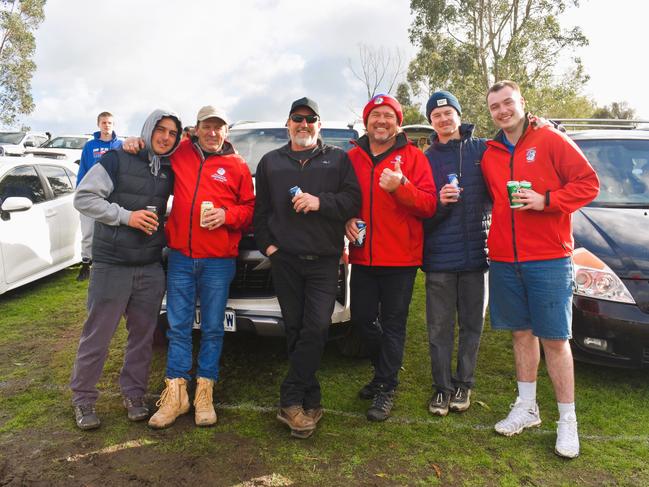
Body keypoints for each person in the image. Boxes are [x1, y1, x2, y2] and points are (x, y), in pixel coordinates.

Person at [482, 80, 599, 458]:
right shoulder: (490, 153)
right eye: (495, 106)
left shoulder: (550, 139)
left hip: (548, 257)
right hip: (504, 259)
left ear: (522, 103)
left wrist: (545, 200)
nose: (502, 111)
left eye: (508, 103)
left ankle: (568, 422)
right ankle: (527, 406)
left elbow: (588, 184)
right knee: (521, 334)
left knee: (555, 341)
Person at [253, 97, 361, 438]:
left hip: (324, 260)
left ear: (319, 124)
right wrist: (269, 247)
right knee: (296, 329)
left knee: (316, 327)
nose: (303, 124)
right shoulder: (270, 162)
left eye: (310, 119)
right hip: (285, 261)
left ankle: (289, 398)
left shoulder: (338, 159)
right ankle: (309, 398)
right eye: (297, 119)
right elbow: (262, 212)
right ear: (288, 124)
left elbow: (353, 201)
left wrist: (319, 202)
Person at [143, 106, 255, 429]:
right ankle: (176, 394)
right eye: (207, 126)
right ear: (196, 128)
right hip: (180, 256)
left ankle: (205, 392)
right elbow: (156, 147)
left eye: (218, 127)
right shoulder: (180, 155)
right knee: (177, 326)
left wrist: (227, 216)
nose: (212, 132)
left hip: (218, 261)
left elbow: (249, 210)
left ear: (226, 132)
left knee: (212, 328)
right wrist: (132, 144)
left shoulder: (237, 166)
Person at [70, 109, 181, 430]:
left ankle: (134, 395)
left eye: (172, 133)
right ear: (148, 130)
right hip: (112, 264)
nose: (166, 137)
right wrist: (125, 216)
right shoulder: (118, 159)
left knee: (142, 338)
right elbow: (84, 197)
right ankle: (83, 400)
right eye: (160, 130)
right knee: (97, 337)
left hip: (148, 266)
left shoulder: (169, 169)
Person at [346, 94, 437, 421]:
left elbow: (429, 205)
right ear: (366, 121)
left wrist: (400, 187)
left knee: (394, 323)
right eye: (375, 116)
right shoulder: (352, 157)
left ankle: (386, 385)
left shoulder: (413, 157)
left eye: (388, 116)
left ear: (397, 123)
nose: (381, 121)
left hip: (400, 258)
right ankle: (383, 370)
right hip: (363, 257)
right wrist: (345, 220)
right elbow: (344, 199)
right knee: (362, 320)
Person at [422, 91, 491, 416]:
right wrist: (438, 202)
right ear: (431, 122)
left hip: (477, 256)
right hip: (439, 259)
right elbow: (420, 212)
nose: (444, 119)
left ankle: (464, 383)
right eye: (437, 115)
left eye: (448, 112)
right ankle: (442, 388)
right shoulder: (426, 158)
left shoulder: (482, 150)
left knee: (471, 325)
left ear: (459, 115)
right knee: (439, 327)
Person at [75, 112, 123, 281]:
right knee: (88, 230)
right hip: (93, 192)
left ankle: (110, 262)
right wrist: (80, 189)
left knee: (112, 227)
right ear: (98, 124)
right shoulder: (90, 146)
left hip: (112, 194)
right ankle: (86, 262)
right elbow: (84, 168)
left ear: (113, 124)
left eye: (109, 122)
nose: (106, 125)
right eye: (103, 122)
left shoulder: (120, 145)